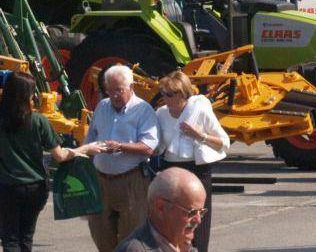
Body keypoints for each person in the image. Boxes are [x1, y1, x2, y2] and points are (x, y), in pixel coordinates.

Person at [0, 72, 105, 252]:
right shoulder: (39, 121)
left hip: (7, 187)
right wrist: (85, 149)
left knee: (10, 239)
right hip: (35, 186)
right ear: (29, 95)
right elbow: (60, 156)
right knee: (26, 236)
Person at [84, 64, 159, 252]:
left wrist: (120, 147)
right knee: (100, 234)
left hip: (131, 181)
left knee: (130, 239)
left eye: (119, 90)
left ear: (131, 87)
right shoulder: (102, 106)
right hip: (101, 180)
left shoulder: (143, 109)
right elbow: (91, 137)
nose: (114, 95)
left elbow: (149, 147)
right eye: (110, 90)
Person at [154, 71, 231, 252]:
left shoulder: (200, 109)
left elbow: (224, 143)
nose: (165, 98)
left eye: (169, 94)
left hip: (196, 169)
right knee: (171, 218)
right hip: (171, 168)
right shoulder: (161, 114)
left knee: (197, 219)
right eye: (163, 93)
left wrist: (200, 136)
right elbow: (157, 145)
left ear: (182, 94)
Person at [115, 167, 206, 252]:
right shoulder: (135, 249)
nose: (198, 220)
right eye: (192, 212)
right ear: (161, 207)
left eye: (201, 212)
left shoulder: (180, 240)